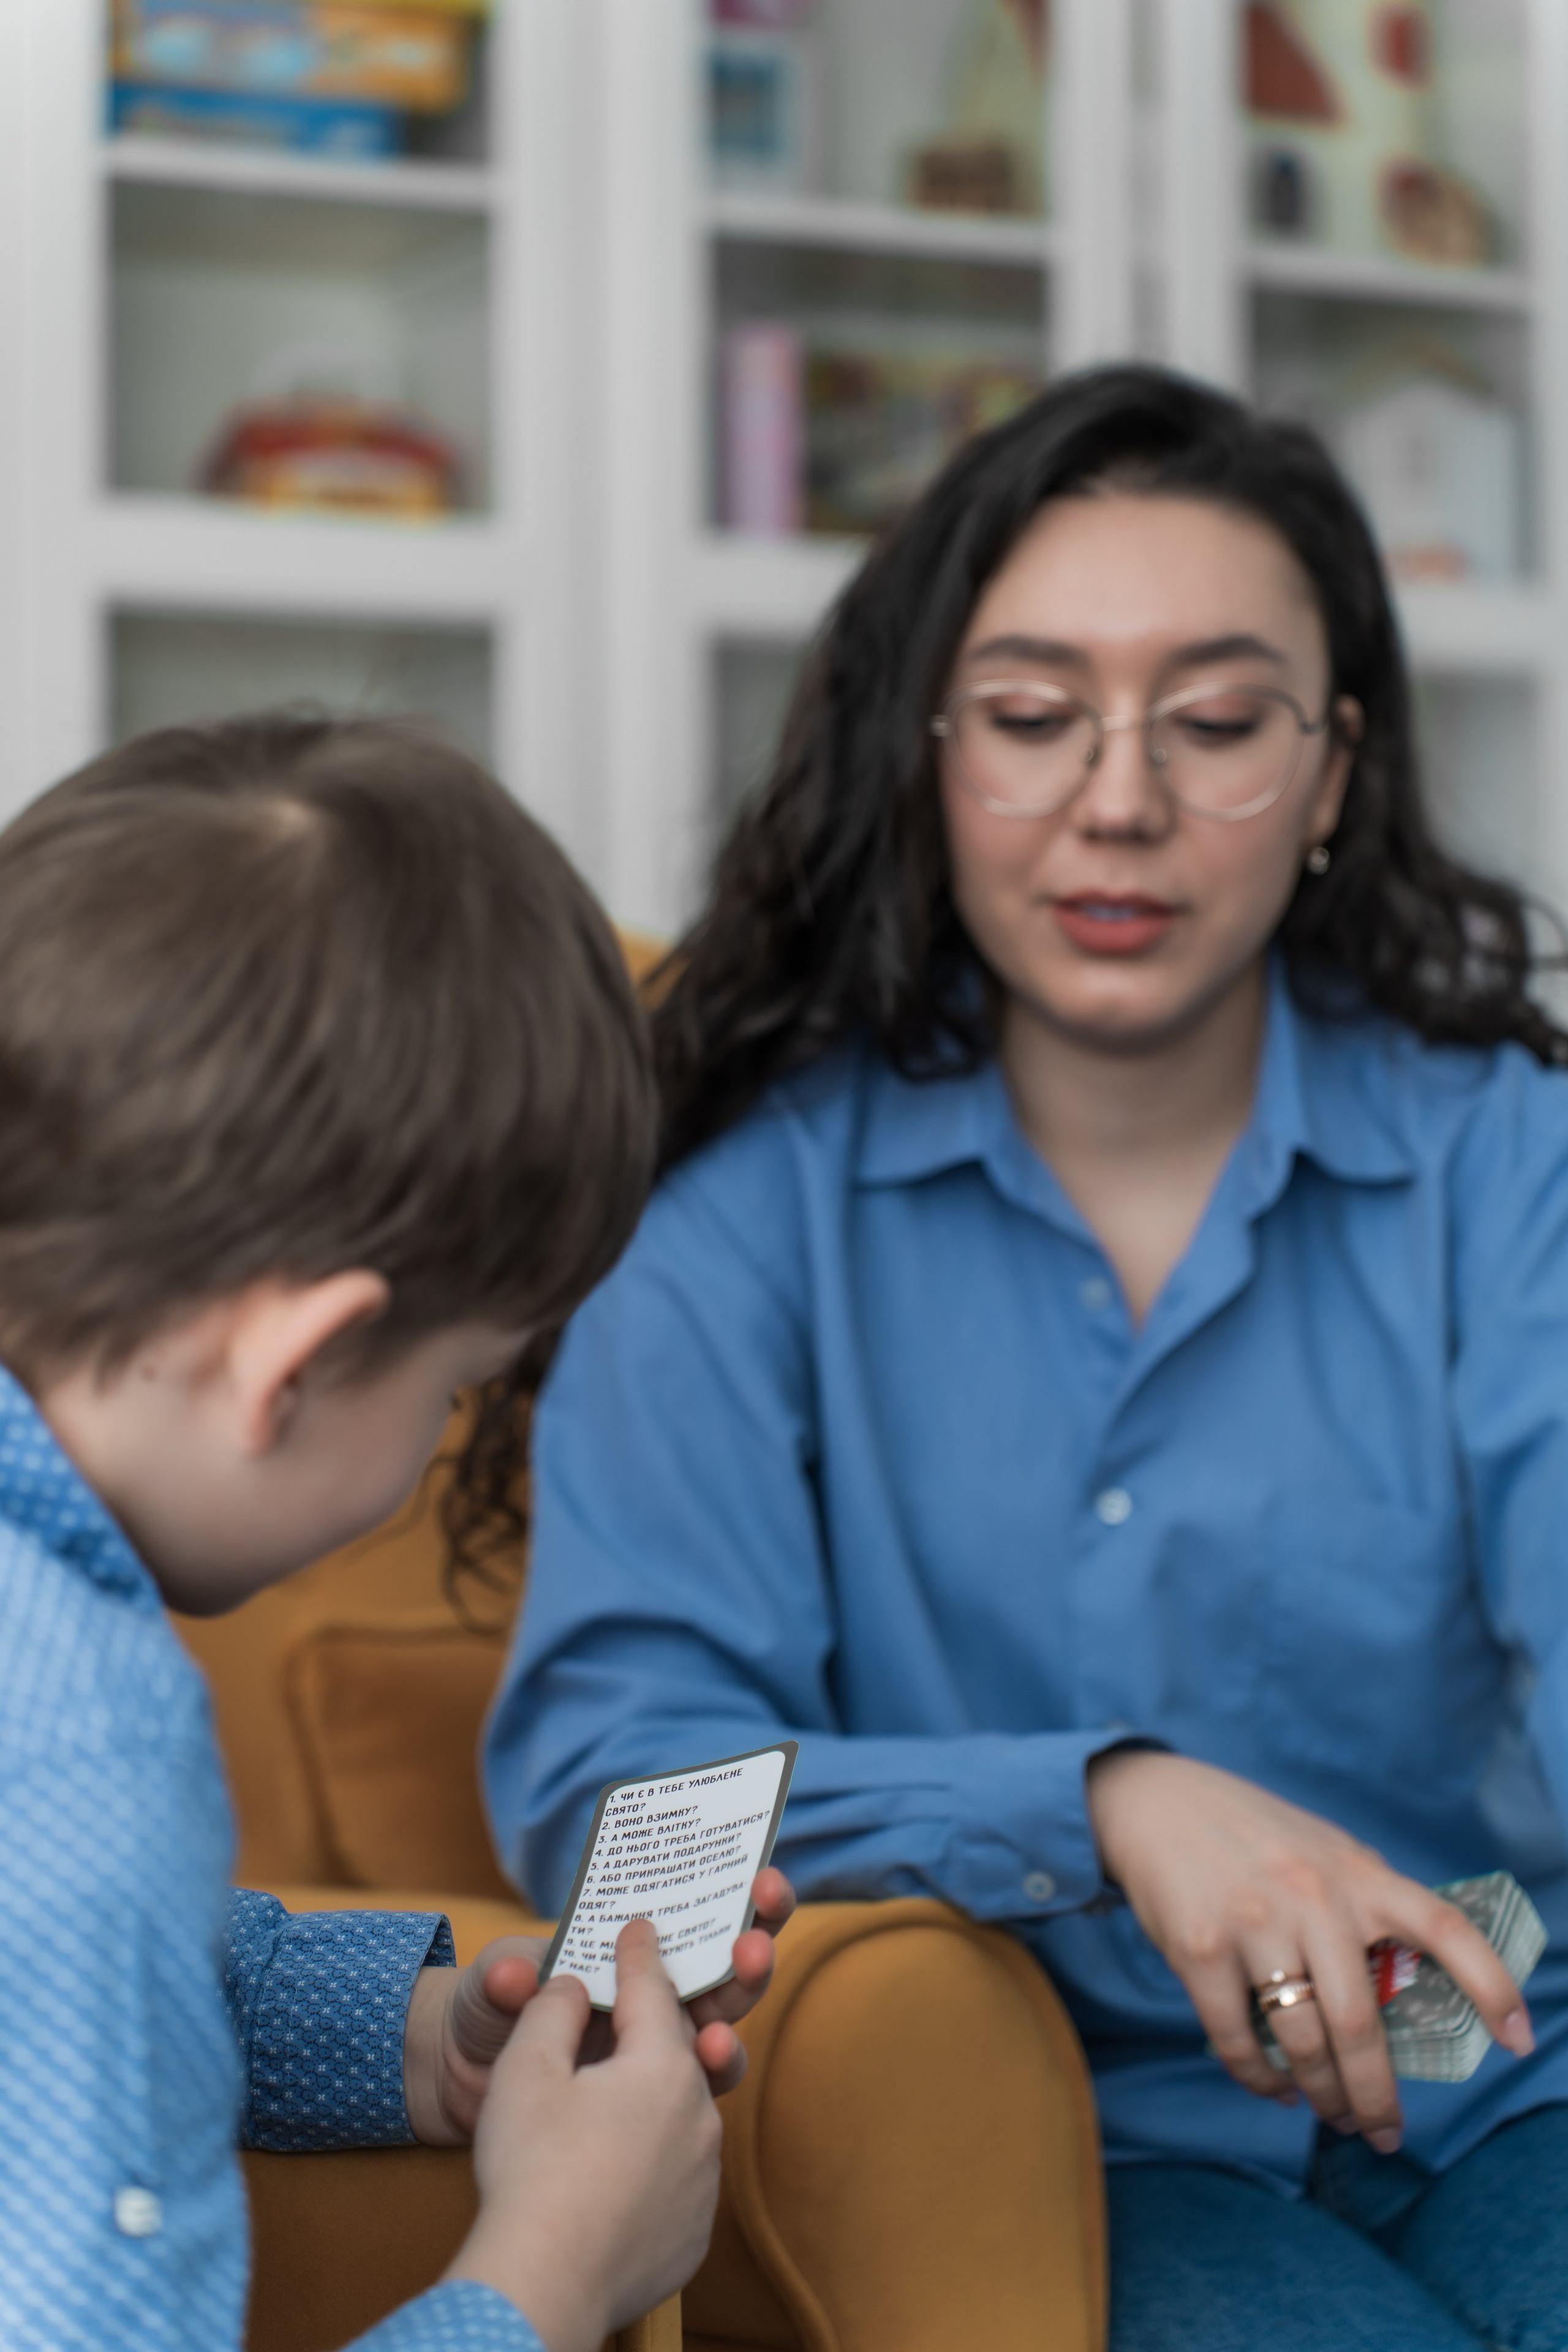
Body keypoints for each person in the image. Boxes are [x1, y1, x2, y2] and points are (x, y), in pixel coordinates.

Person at [485, 366, 1568, 2350]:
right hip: (1045, 2133)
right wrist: (1105, 1804)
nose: (1123, 799)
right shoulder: (733, 1209)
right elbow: (618, 1807)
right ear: (929, 756)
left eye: (1221, 721)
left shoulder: (1511, 1161)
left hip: (1513, 2084)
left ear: (1336, 773)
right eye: (1035, 716)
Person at [0, 715, 793, 2352]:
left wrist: (416, 2031)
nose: (442, 1442)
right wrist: (552, 2271)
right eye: (458, 1391)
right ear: (289, 1370)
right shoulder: (77, 1740)